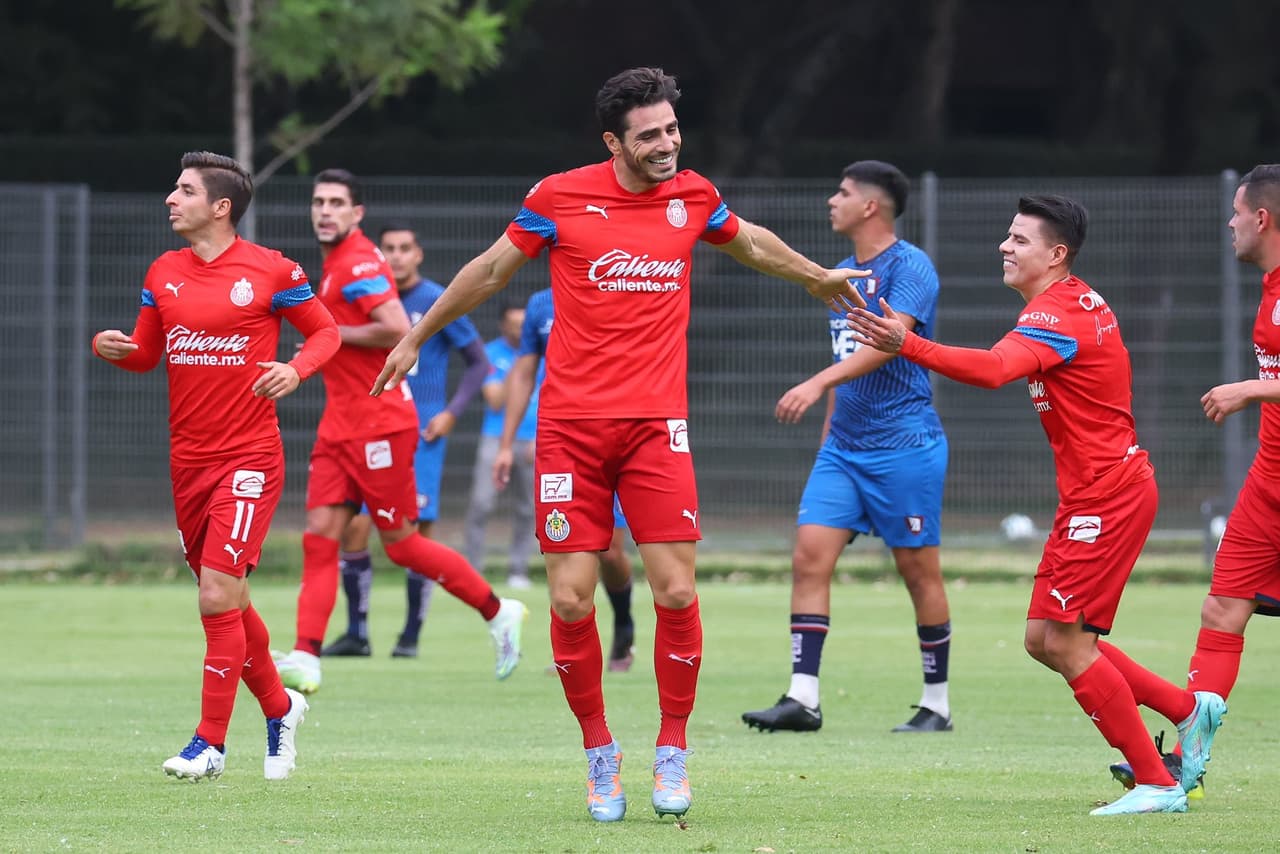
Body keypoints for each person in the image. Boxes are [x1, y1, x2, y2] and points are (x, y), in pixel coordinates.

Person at [371, 67, 867, 823]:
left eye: (671, 129)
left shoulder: (693, 195)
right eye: (649, 136)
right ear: (614, 142)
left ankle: (673, 748)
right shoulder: (558, 197)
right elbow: (490, 270)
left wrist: (812, 277)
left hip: (656, 430)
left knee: (675, 590)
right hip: (568, 431)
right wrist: (417, 334)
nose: (667, 145)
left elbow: (751, 244)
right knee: (571, 599)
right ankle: (600, 755)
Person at [846, 194, 1226, 816]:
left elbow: (995, 369)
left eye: (1020, 240)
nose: (1005, 246)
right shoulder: (1071, 300)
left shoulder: (1058, 314)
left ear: (1056, 255)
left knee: (1070, 643)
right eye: (1007, 235)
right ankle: (1189, 711)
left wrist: (904, 343)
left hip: (1108, 495)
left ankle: (1157, 783)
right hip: (1096, 493)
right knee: (1042, 639)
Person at [93, 151, 339, 781]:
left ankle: (210, 744)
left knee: (213, 594)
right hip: (189, 464)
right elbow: (147, 355)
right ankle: (281, 710)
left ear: (220, 207)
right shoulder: (163, 272)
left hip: (250, 457)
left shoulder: (271, 270)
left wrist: (295, 368)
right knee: (229, 598)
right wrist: (110, 347)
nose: (170, 199)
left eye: (184, 190)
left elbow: (326, 334)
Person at [273, 168, 525, 695]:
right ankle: (306, 656)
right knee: (320, 535)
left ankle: (499, 611)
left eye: (336, 203)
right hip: (340, 425)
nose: (325, 211)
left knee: (403, 546)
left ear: (355, 213)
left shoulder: (360, 260)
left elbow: (393, 327)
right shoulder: (334, 264)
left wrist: (326, 333)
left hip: (381, 427)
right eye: (318, 201)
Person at [742, 161, 954, 735]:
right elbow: (846, 360)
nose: (831, 200)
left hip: (904, 444)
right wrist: (827, 431)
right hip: (843, 448)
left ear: (871, 207)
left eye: (842, 193)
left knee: (917, 572)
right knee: (809, 556)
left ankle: (937, 703)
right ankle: (802, 699)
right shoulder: (839, 274)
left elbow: (891, 342)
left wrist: (815, 384)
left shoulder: (911, 266)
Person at [1108, 164, 1280, 796]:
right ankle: (1188, 757)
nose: (1229, 223)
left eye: (1236, 212)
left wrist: (1250, 388)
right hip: (1268, 486)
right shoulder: (1269, 287)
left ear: (1261, 218)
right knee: (1222, 607)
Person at [321, 223, 489, 659]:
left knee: (416, 532)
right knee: (354, 527)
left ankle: (411, 634)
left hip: (422, 431)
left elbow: (478, 364)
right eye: (388, 249)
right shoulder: (363, 296)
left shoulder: (436, 299)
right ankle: (357, 631)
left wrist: (450, 412)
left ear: (419, 255)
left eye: (403, 249)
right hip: (369, 427)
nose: (395, 256)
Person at [494, 287, 638, 672]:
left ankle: (624, 627)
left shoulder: (621, 286)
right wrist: (507, 443)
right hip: (561, 442)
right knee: (564, 548)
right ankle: (574, 654)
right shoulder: (540, 303)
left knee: (609, 550)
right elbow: (525, 373)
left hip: (614, 438)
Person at [462, 301, 539, 590]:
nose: (520, 331)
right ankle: (472, 570)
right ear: (503, 325)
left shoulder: (543, 354)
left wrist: (541, 437)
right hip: (496, 439)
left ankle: (518, 570)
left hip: (533, 440)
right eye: (515, 325)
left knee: (528, 508)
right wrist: (521, 365)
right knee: (481, 503)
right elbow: (495, 400)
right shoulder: (490, 354)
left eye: (524, 326)